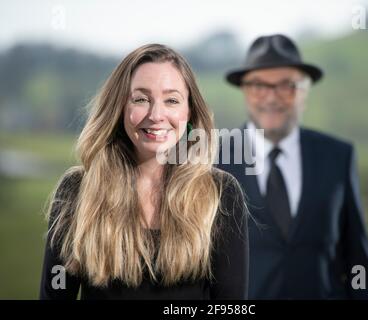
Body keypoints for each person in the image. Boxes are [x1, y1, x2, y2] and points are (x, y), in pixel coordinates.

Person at [39, 44, 249, 300]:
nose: (156, 114)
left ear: (189, 111)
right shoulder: (76, 190)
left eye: (171, 100)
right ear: (119, 107)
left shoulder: (220, 193)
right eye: (141, 99)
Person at [217, 34, 368, 299]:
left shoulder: (338, 157)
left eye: (286, 85)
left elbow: (357, 262)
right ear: (244, 91)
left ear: (304, 91)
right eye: (258, 85)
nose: (271, 98)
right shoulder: (213, 160)